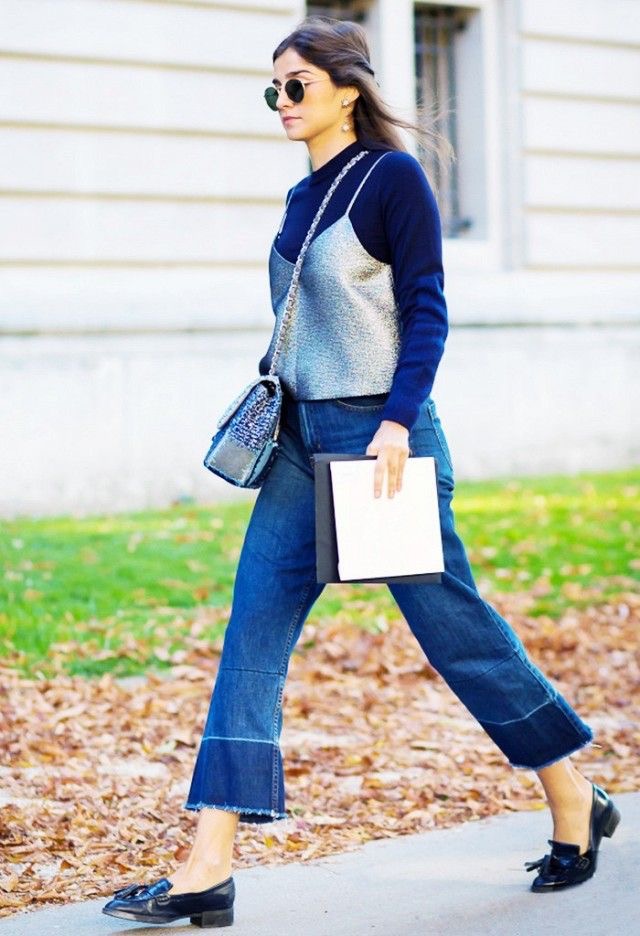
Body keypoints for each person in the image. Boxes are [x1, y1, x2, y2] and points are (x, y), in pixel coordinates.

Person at [102, 15, 620, 929]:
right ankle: (208, 864)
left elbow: (427, 310)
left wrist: (394, 424)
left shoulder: (393, 179)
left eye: (296, 84)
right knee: (252, 634)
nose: (282, 101)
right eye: (273, 88)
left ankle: (571, 792)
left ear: (347, 89)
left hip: (383, 442)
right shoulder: (302, 195)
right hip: (299, 446)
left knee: (454, 630)